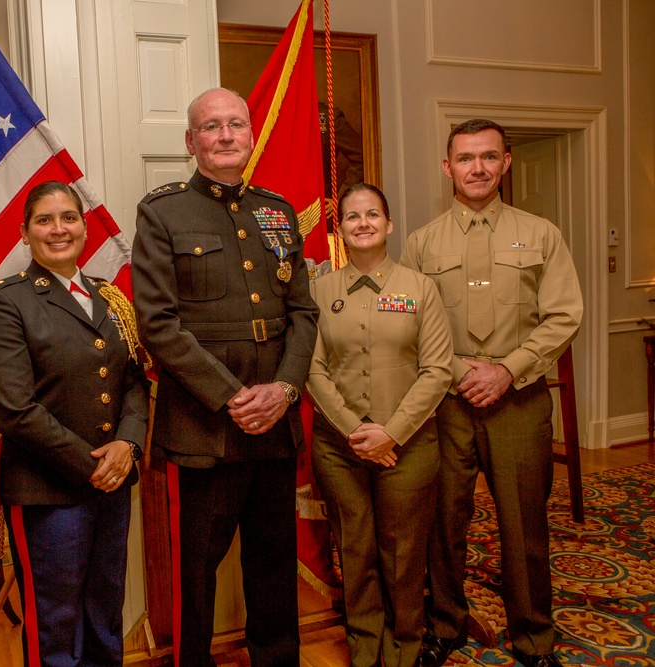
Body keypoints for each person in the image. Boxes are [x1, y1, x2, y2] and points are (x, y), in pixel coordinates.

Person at [132, 87, 319, 666]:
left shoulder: (277, 211)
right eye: (210, 127)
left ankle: (276, 658)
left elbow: (303, 314)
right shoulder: (162, 212)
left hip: (275, 422)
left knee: (272, 559)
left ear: (250, 134)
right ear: (191, 142)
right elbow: (158, 324)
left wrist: (285, 389)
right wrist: (233, 396)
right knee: (196, 569)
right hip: (204, 427)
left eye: (235, 124)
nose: (225, 135)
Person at [402, 118, 583, 667]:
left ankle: (534, 638)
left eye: (487, 157)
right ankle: (446, 626)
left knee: (524, 524)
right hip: (447, 406)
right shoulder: (420, 243)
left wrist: (508, 370)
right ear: (447, 167)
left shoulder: (542, 233)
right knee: (443, 523)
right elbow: (409, 324)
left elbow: (564, 315)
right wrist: (459, 373)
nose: (476, 168)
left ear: (506, 162)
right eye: (464, 158)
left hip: (519, 403)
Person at [0, 181, 150, 666]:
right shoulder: (6, 302)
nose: (59, 229)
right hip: (47, 492)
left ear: (84, 226)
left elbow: (134, 381)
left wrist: (128, 446)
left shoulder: (109, 298)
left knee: (104, 615)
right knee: (56, 626)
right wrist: (93, 464)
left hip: (113, 486)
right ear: (24, 234)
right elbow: (13, 407)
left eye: (69, 218)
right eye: (45, 220)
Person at [305, 183, 452, 667]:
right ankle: (365, 648)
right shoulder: (319, 290)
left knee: (404, 552)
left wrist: (392, 432)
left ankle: (406, 647)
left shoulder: (420, 287)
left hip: (407, 445)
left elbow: (438, 370)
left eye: (373, 214)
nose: (363, 223)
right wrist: (354, 432)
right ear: (340, 228)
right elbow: (312, 369)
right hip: (338, 446)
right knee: (356, 547)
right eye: (352, 216)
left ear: (389, 225)